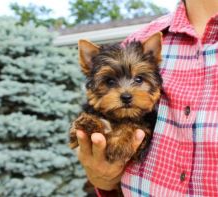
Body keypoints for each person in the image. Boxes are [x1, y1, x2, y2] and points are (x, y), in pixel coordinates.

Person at [76, 0, 218, 196]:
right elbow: (102, 178)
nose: (126, 92)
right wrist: (102, 180)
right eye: (110, 82)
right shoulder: (138, 40)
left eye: (138, 79)